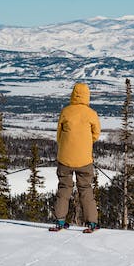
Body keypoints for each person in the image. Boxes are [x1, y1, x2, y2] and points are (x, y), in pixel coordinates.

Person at [50, 82, 102, 233]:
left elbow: (59, 135)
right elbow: (96, 134)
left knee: (64, 188)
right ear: (87, 95)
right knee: (85, 189)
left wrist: (66, 147)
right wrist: (85, 143)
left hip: (64, 159)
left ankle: (60, 220)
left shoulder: (66, 111)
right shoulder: (91, 113)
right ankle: (92, 223)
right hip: (84, 160)